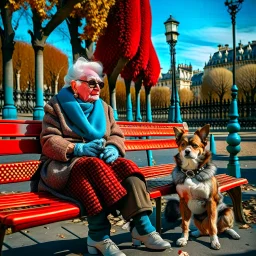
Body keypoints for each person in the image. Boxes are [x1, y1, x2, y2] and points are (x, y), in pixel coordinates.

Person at [33, 57, 171, 256]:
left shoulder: (105, 108)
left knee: (127, 166)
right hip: (64, 168)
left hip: (99, 166)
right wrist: (76, 149)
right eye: (91, 83)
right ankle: (98, 236)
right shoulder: (55, 106)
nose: (97, 87)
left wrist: (114, 147)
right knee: (91, 166)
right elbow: (48, 140)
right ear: (74, 85)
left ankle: (142, 228)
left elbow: (116, 134)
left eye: (100, 83)